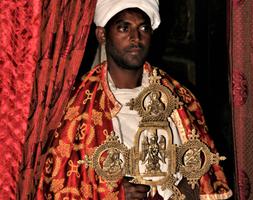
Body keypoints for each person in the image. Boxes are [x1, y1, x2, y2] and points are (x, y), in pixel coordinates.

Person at [36, 0, 232, 199]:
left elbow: (203, 171)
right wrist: (112, 192)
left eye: (143, 28)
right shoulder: (79, 104)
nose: (135, 38)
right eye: (124, 28)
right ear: (102, 35)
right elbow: (65, 182)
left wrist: (189, 188)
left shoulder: (179, 97)